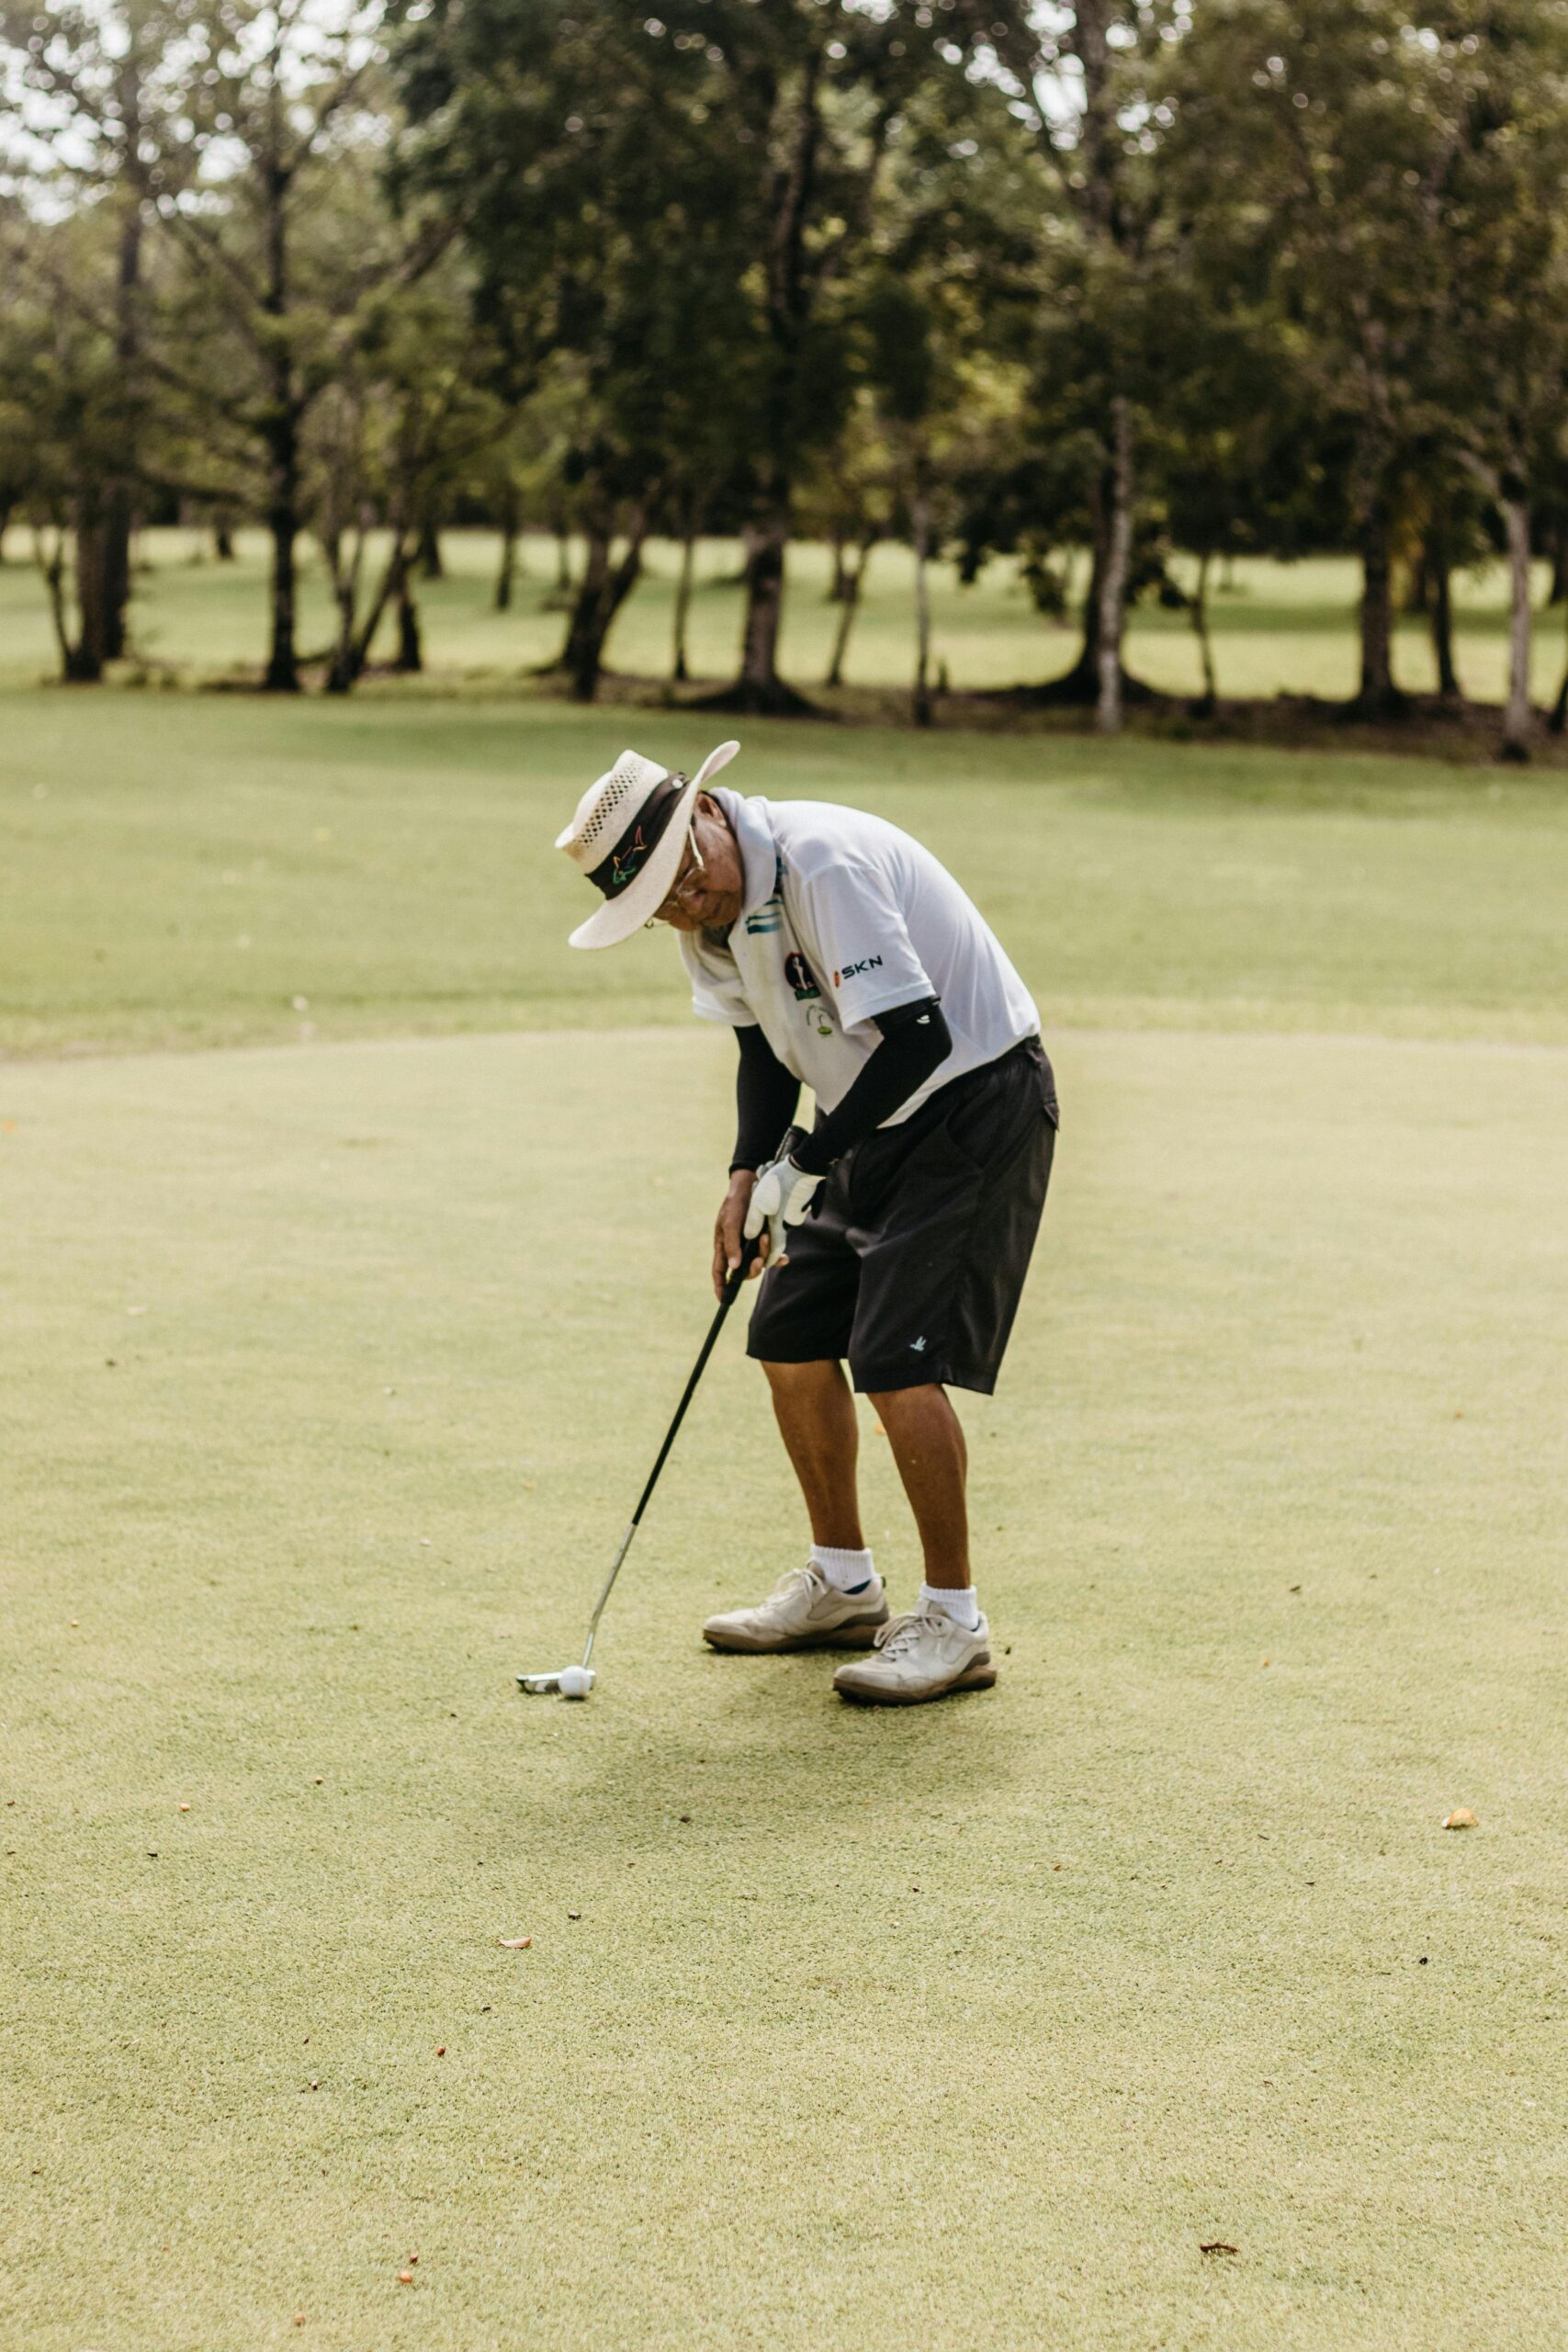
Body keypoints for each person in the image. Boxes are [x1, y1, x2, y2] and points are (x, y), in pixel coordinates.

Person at [555, 739, 1057, 1705]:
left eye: (683, 883)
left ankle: (956, 1622)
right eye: (658, 903)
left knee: (896, 1354)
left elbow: (918, 1038)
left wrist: (809, 1160)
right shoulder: (702, 920)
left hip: (973, 1102)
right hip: (864, 1111)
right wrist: (749, 1172)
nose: (682, 909)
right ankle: (844, 1585)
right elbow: (762, 1047)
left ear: (704, 814)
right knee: (787, 1330)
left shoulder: (818, 859)